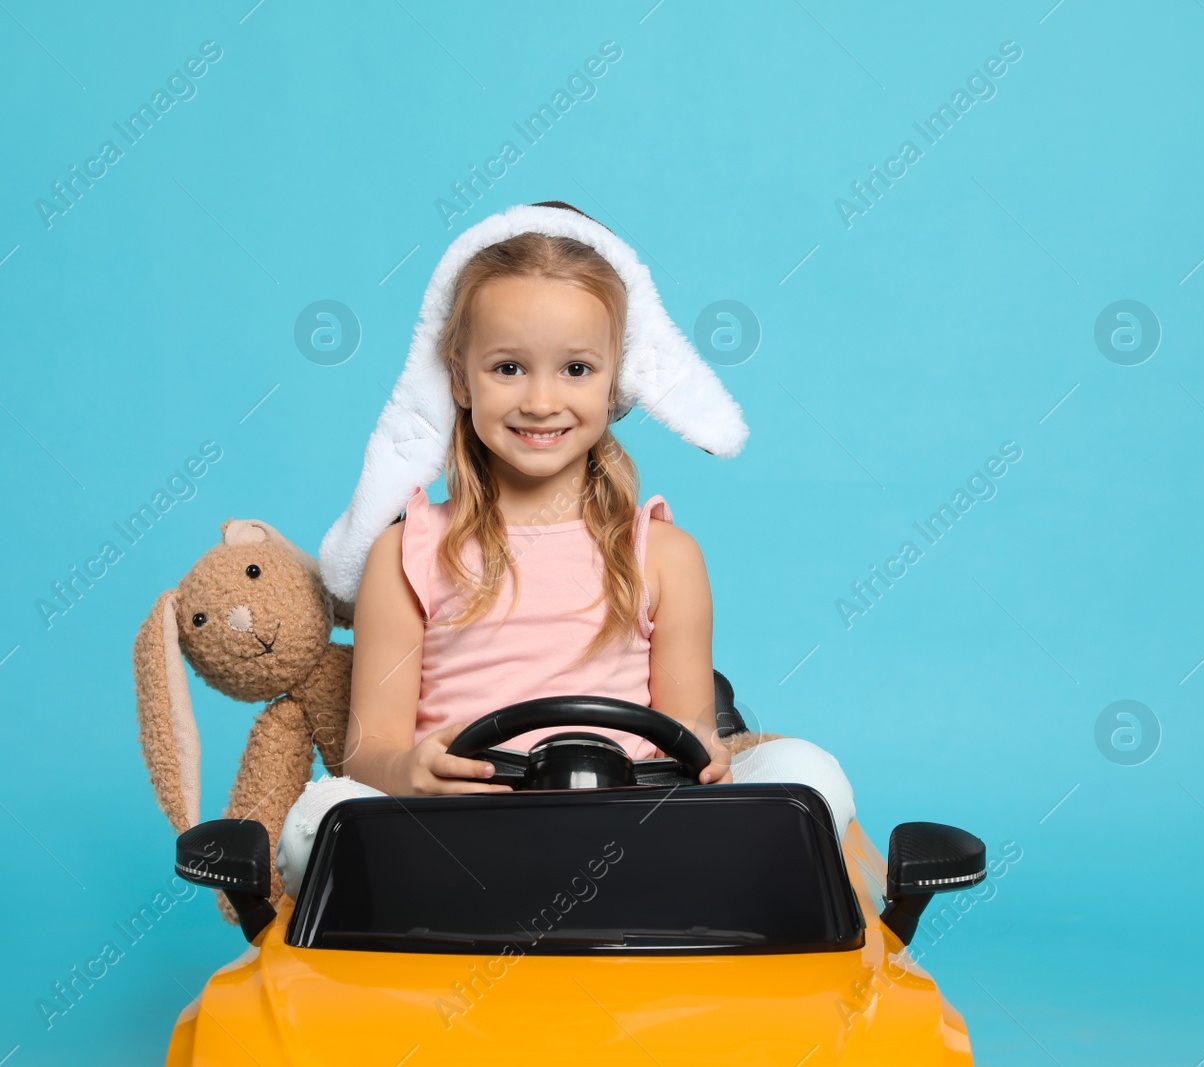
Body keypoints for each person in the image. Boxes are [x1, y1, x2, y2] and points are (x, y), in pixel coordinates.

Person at [279, 203, 855, 899]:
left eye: (576, 368)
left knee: (811, 771)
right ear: (460, 378)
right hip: (458, 844)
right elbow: (367, 752)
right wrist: (409, 773)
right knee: (313, 822)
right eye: (509, 367)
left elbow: (688, 737)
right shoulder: (406, 553)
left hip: (631, 841)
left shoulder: (665, 556)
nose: (542, 400)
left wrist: (708, 756)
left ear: (617, 383)